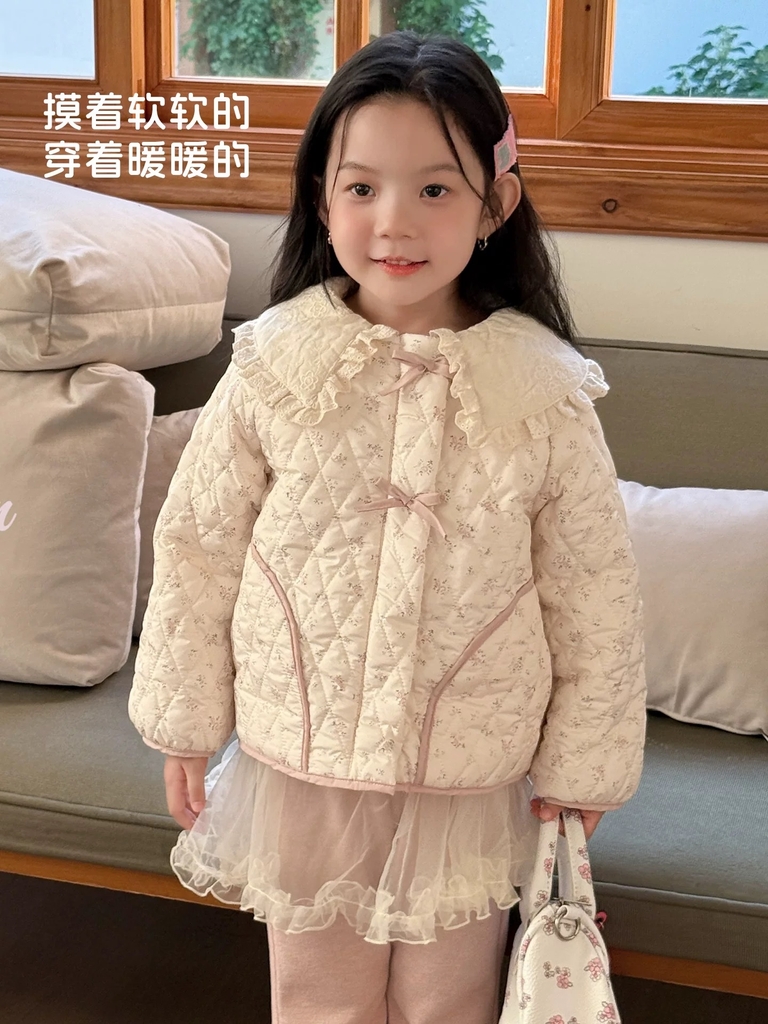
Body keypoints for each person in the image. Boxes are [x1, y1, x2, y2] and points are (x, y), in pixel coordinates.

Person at [128, 29, 646, 1024]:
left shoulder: (543, 393)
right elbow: (196, 547)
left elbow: (595, 590)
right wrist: (184, 723)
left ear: (496, 202)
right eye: (361, 187)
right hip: (301, 760)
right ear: (322, 198)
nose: (394, 221)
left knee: (447, 1001)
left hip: (469, 770)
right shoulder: (273, 367)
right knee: (317, 998)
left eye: (436, 188)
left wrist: (586, 761)